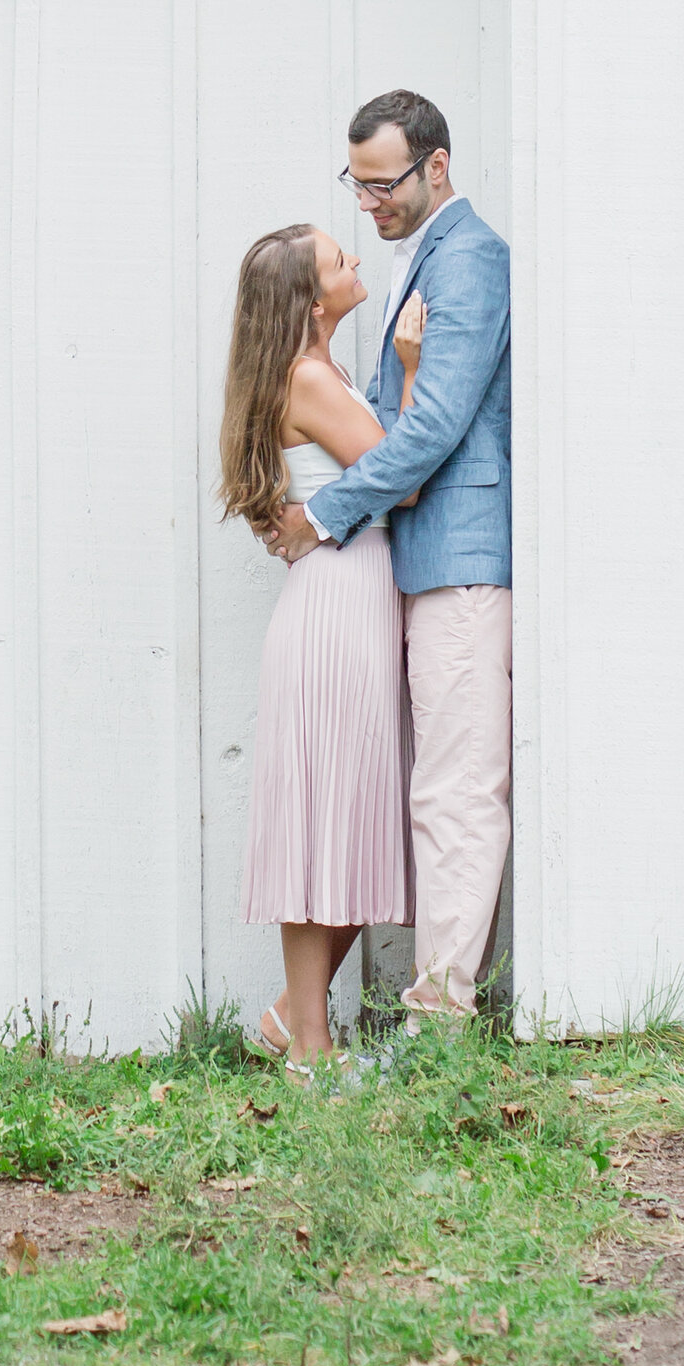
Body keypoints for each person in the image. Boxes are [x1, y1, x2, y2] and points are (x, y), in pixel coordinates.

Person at [263, 88, 512, 1024]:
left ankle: (440, 1015)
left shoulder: (471, 259)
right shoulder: (424, 262)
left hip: (459, 557)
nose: (369, 204)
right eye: (356, 185)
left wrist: (321, 513)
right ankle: (315, 1011)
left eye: (383, 184)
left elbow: (438, 423)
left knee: (454, 789)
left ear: (436, 166)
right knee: (423, 787)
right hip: (414, 564)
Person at [218, 222, 413, 1072]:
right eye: (340, 260)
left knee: (349, 817)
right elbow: (398, 476)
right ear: (309, 299)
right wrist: (410, 370)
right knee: (330, 819)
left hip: (344, 598)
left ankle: (289, 1028)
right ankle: (311, 1046)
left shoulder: (315, 372)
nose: (356, 262)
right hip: (338, 609)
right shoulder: (307, 377)